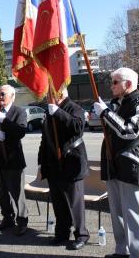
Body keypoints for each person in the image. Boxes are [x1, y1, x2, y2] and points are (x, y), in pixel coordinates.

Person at [93, 67, 139, 258]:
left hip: (130, 164)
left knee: (132, 213)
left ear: (127, 84)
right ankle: (122, 250)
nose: (111, 86)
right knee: (117, 211)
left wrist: (106, 114)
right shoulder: (116, 103)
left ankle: (137, 255)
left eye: (115, 82)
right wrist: (103, 113)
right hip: (113, 164)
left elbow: (130, 131)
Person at [38, 88, 90, 251]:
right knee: (59, 203)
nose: (47, 97)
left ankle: (81, 234)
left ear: (59, 94)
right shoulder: (49, 111)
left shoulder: (75, 108)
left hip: (71, 163)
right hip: (53, 164)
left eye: (49, 94)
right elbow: (45, 139)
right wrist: (41, 163)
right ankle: (61, 233)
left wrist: (58, 112)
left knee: (75, 204)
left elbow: (77, 127)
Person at [0, 85, 28, 236]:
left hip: (13, 159)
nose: (0, 97)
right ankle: (7, 217)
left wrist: (6, 121)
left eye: (3, 94)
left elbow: (21, 132)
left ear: (12, 96)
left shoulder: (18, 112)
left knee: (17, 192)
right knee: (2, 193)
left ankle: (22, 221)